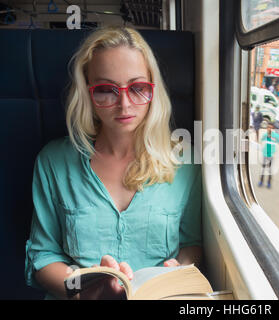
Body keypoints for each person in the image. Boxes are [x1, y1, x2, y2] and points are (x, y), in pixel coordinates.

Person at [24, 27, 202, 300]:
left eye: (138, 88)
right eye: (106, 90)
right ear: (87, 92)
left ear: (153, 90)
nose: (124, 104)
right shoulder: (53, 162)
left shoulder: (186, 162)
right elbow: (43, 256)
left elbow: (191, 243)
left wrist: (178, 270)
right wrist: (82, 291)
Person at [259, 122, 279, 189]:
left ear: (273, 128)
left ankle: (269, 183)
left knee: (270, 170)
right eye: (268, 127)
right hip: (265, 154)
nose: (269, 129)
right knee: (263, 169)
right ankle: (261, 181)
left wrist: (277, 152)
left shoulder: (276, 136)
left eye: (271, 128)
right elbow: (261, 141)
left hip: (272, 155)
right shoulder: (265, 135)